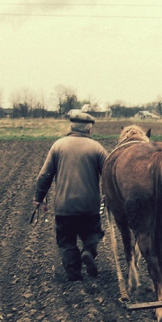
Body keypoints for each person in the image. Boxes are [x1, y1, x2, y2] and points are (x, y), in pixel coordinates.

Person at [34, 108, 108, 282]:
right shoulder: (97, 148)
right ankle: (88, 251)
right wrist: (108, 194)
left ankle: (74, 275)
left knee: (66, 241)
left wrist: (39, 197)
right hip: (89, 206)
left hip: (64, 207)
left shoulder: (58, 146)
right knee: (93, 233)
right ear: (89, 129)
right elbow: (109, 173)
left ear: (71, 127)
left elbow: (45, 175)